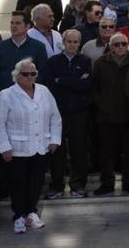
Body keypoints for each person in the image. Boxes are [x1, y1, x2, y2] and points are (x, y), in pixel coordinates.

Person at [0, 58, 61, 234]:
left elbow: (55, 117)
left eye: (33, 74)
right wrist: (4, 147)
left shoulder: (44, 91)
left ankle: (32, 213)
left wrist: (54, 139)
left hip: (40, 146)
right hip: (17, 149)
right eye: (26, 74)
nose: (30, 77)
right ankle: (19, 216)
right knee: (18, 184)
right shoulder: (6, 95)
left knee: (36, 182)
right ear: (17, 76)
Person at [45, 30, 93, 199]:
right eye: (69, 41)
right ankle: (57, 185)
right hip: (58, 112)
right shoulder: (53, 62)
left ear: (79, 43)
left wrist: (63, 80)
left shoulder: (85, 61)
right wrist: (76, 81)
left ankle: (78, 184)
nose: (72, 44)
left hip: (79, 111)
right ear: (63, 42)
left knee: (79, 148)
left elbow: (86, 85)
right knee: (57, 149)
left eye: (75, 42)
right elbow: (51, 85)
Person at [90, 32, 129, 196]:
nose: (120, 47)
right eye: (116, 44)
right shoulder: (101, 63)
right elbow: (94, 88)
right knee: (106, 153)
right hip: (106, 116)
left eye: (123, 44)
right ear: (110, 46)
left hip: (128, 116)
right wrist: (102, 104)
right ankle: (107, 183)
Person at [0, 11, 49, 92]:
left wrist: (32, 90)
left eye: (18, 23)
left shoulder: (38, 47)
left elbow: (43, 73)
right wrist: (0, 91)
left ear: (27, 26)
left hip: (30, 95)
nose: (14, 26)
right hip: (4, 95)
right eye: (12, 23)